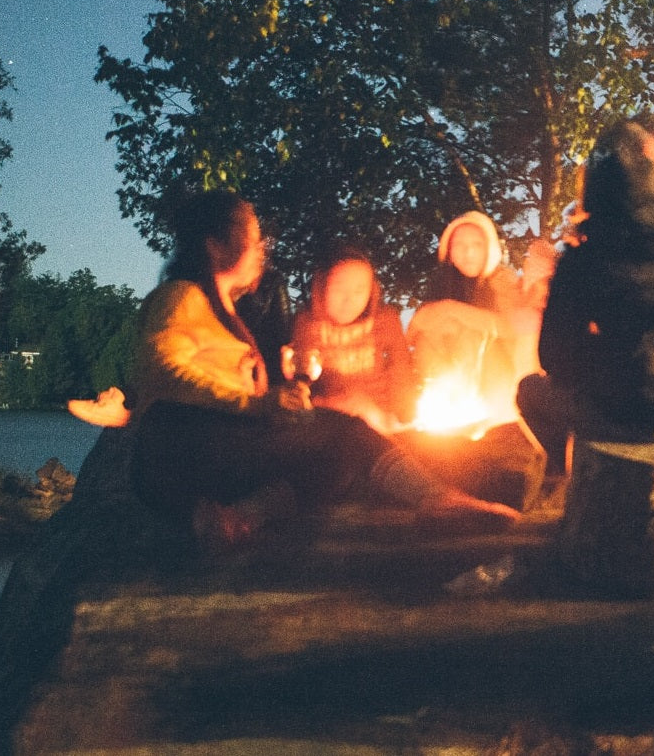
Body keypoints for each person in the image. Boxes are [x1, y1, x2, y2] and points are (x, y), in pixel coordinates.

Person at [128, 190, 518, 548]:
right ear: (216, 246)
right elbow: (161, 368)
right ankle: (437, 498)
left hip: (220, 446)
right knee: (348, 433)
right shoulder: (181, 296)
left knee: (337, 461)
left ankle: (236, 519)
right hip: (186, 447)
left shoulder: (227, 310)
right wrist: (256, 406)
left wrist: (275, 402)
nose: (262, 249)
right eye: (253, 237)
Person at [516, 119, 654, 475]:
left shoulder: (585, 257)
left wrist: (610, 363)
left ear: (593, 185)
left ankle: (577, 483)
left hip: (642, 419)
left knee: (531, 391)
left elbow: (554, 356)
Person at [407, 211, 544, 422]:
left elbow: (511, 327)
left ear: (489, 249)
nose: (468, 251)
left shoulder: (502, 279)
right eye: (460, 245)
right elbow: (415, 330)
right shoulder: (444, 285)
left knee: (468, 329)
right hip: (454, 374)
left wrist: (452, 310)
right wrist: (434, 315)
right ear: (449, 250)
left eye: (477, 244)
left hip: (501, 376)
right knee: (434, 332)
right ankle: (444, 405)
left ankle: (486, 413)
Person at [287, 244, 417, 435]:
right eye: (339, 290)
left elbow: (401, 370)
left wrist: (403, 416)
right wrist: (341, 404)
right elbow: (303, 388)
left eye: (359, 291)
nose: (349, 300)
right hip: (333, 425)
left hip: (384, 423)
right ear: (322, 287)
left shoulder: (385, 320)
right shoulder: (308, 325)